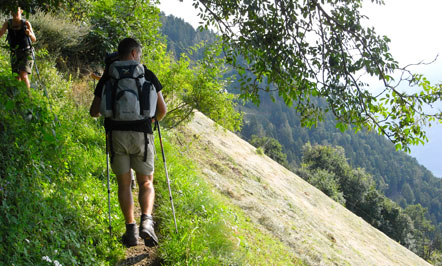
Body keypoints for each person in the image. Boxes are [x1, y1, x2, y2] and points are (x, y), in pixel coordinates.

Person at [89, 38, 167, 247]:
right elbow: (162, 111)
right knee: (146, 182)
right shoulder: (146, 73)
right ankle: (147, 223)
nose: (139, 57)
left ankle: (130, 230)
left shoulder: (107, 77)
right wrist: (153, 120)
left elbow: (94, 112)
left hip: (116, 136)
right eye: (139, 54)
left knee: (124, 184)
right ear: (133, 53)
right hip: (142, 135)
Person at [0, 7, 36, 89]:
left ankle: (28, 97)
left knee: (23, 75)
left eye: (17, 10)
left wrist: (30, 34)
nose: (15, 12)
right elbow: (0, 33)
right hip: (14, 53)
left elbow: (34, 39)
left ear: (21, 11)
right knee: (16, 78)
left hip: (26, 52)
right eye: (13, 10)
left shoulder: (26, 23)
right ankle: (19, 98)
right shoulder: (8, 23)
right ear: (11, 12)